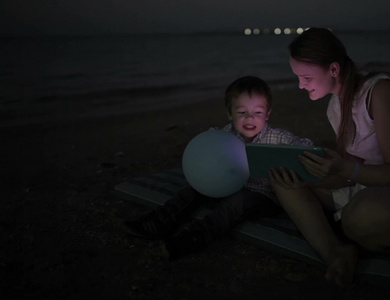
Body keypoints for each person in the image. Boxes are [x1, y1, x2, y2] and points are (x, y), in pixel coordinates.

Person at [268, 28, 390, 287]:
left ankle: (354, 230)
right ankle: (334, 252)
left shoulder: (380, 91)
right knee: (285, 179)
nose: (301, 85)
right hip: (373, 184)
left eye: (305, 77)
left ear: (334, 69)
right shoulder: (335, 107)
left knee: (362, 216)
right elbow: (353, 173)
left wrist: (343, 168)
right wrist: (312, 177)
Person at [123, 75, 313, 260]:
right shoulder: (226, 135)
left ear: (267, 113)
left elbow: (306, 146)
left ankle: (194, 237)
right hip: (227, 187)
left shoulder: (277, 138)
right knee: (194, 190)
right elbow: (210, 148)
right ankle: (159, 221)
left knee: (236, 204)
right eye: (241, 112)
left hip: (263, 196)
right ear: (230, 113)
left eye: (257, 112)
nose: (249, 118)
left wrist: (289, 156)